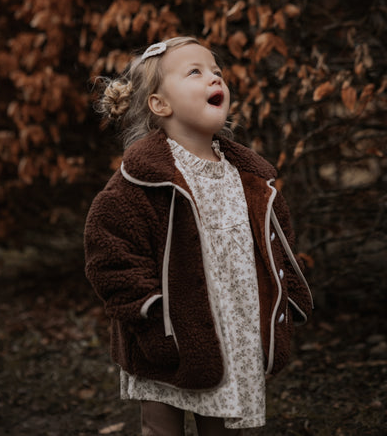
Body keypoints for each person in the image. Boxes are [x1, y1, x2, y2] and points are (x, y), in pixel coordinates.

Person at [84, 36, 313, 435]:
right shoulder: (142, 181)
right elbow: (111, 253)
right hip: (169, 333)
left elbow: (277, 241)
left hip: (233, 334)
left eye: (217, 72)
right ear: (160, 104)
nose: (214, 79)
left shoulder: (250, 178)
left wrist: (287, 295)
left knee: (225, 426)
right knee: (160, 428)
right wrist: (151, 312)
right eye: (196, 72)